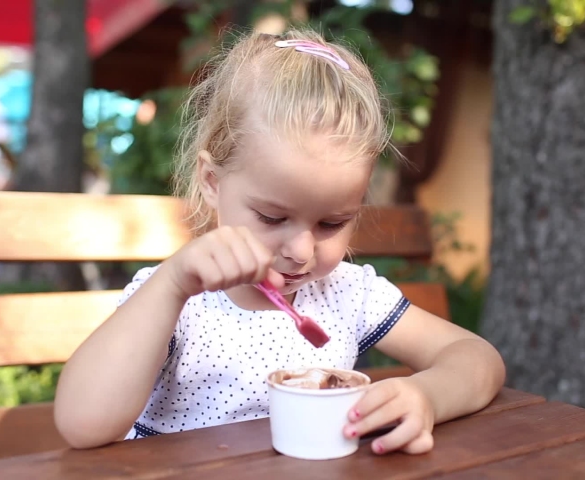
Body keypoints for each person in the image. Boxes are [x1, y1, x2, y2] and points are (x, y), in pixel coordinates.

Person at [54, 28, 505, 455]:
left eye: (332, 223)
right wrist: (172, 285)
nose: (301, 251)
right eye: (272, 217)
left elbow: (477, 359)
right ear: (212, 182)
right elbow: (82, 423)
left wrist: (426, 395)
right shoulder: (176, 300)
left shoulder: (347, 293)